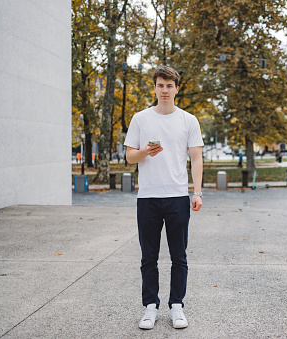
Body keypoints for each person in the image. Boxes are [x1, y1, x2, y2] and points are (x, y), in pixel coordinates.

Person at [124, 66, 204, 330]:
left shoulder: (188, 120)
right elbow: (129, 157)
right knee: (149, 256)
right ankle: (150, 308)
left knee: (179, 256)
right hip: (148, 197)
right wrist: (146, 151)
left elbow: (196, 158)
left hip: (177, 197)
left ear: (177, 89)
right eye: (160, 85)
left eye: (170, 86)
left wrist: (197, 191)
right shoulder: (140, 119)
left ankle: (177, 307)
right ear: (155, 88)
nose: (165, 90)